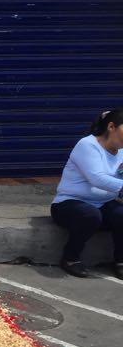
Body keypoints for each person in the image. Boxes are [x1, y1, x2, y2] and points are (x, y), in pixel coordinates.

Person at [51, 107, 123, 278]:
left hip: (103, 205)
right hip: (68, 205)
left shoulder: (121, 151)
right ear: (111, 127)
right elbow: (97, 178)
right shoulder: (87, 145)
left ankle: (121, 260)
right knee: (90, 215)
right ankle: (70, 258)